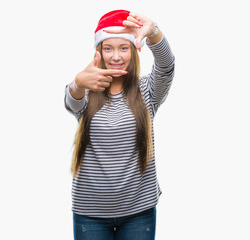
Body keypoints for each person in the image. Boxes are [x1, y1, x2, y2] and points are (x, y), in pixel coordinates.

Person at [64, 9, 175, 240]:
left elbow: (166, 67)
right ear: (99, 51)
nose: (115, 56)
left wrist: (153, 32)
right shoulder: (87, 90)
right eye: (108, 48)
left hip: (139, 211)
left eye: (123, 48)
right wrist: (78, 83)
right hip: (90, 212)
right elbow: (71, 102)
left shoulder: (147, 92)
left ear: (133, 51)